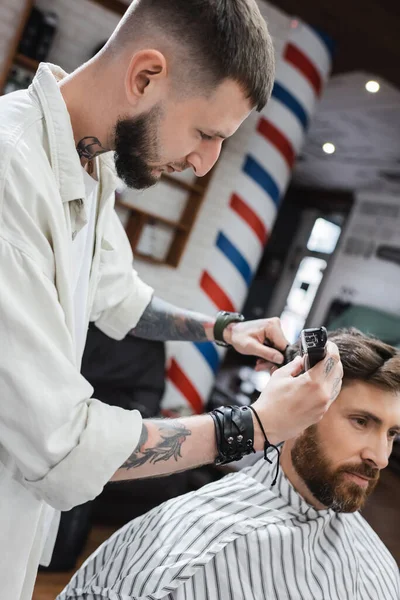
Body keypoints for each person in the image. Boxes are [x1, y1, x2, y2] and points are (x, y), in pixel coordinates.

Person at [0, 1, 344, 598]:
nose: (204, 163)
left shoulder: (88, 160)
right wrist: (254, 426)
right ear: (145, 76)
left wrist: (222, 330)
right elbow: (64, 443)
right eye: (207, 134)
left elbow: (118, 298)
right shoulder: (10, 177)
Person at [57, 328, 400, 600]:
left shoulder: (383, 566)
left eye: (392, 434)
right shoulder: (191, 556)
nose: (380, 457)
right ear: (303, 409)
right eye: (361, 421)